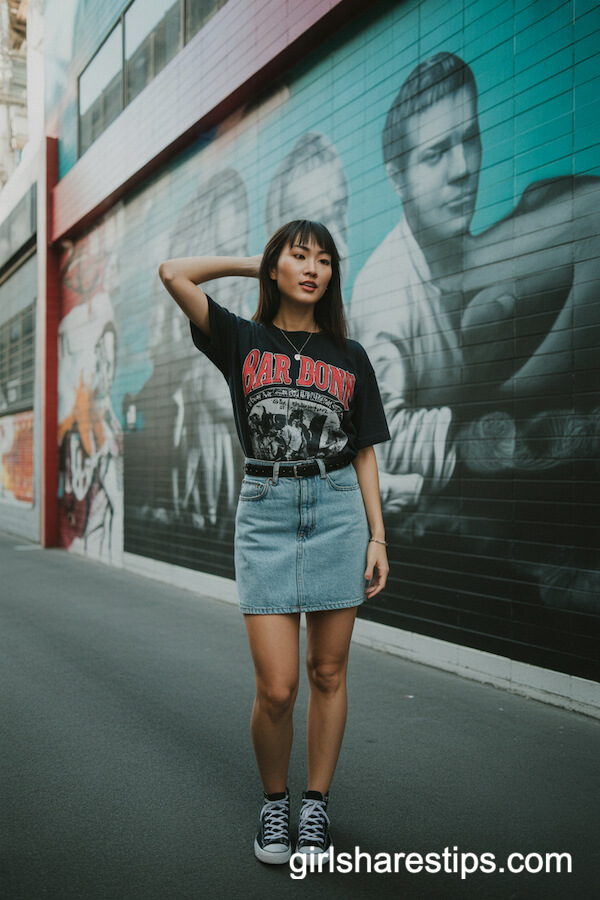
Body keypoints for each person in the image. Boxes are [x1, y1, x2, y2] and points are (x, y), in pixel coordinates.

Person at [158, 219, 391, 864]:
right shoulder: (242, 338)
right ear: (278, 268)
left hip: (338, 508)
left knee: (327, 671)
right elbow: (173, 272)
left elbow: (365, 450)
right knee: (278, 687)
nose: (312, 268)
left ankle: (314, 806)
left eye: (323, 259)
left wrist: (378, 535)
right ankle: (275, 801)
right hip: (265, 511)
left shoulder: (350, 355)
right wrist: (252, 263)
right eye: (298, 256)